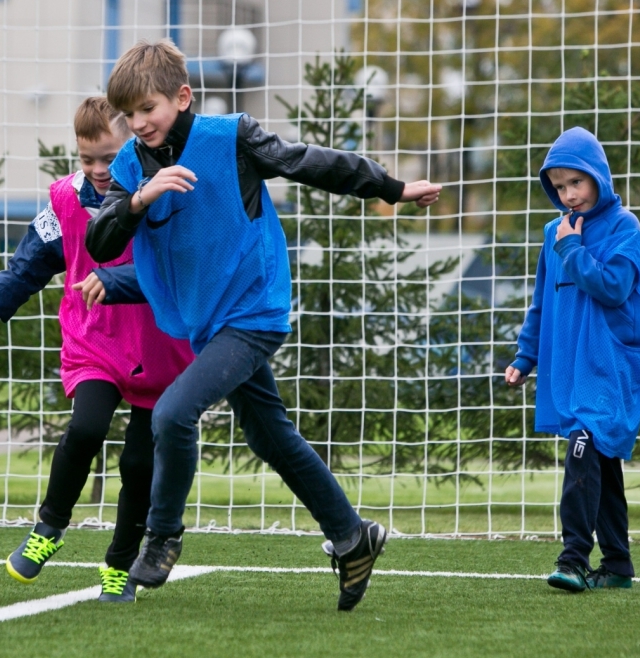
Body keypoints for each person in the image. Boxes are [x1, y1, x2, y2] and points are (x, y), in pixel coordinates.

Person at [84, 39, 441, 611]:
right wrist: (139, 199)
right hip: (208, 324)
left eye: (148, 109)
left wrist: (392, 189)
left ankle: (163, 535)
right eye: (129, 115)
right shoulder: (129, 168)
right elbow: (100, 241)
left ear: (182, 96)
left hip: (254, 310)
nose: (139, 123)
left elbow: (312, 162)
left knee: (174, 413)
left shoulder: (232, 137)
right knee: (270, 435)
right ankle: (352, 538)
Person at [0, 97, 194, 603]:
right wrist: (0, 292)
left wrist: (114, 278)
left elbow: (180, 266)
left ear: (135, 147)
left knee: (140, 465)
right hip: (94, 339)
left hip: (161, 347)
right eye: (87, 157)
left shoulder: (163, 195)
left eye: (108, 157)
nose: (96, 169)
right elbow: (35, 257)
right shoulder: (65, 200)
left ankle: (119, 567)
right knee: (87, 427)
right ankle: (48, 528)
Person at [505, 126, 640, 593]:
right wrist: (526, 354)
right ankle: (618, 565)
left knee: (582, 450)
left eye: (577, 182)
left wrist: (574, 248)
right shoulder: (554, 233)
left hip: (612, 365)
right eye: (559, 187)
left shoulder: (623, 228)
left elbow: (613, 288)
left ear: (598, 177)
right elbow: (542, 303)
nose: (569, 195)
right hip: (572, 364)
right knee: (602, 461)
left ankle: (573, 559)